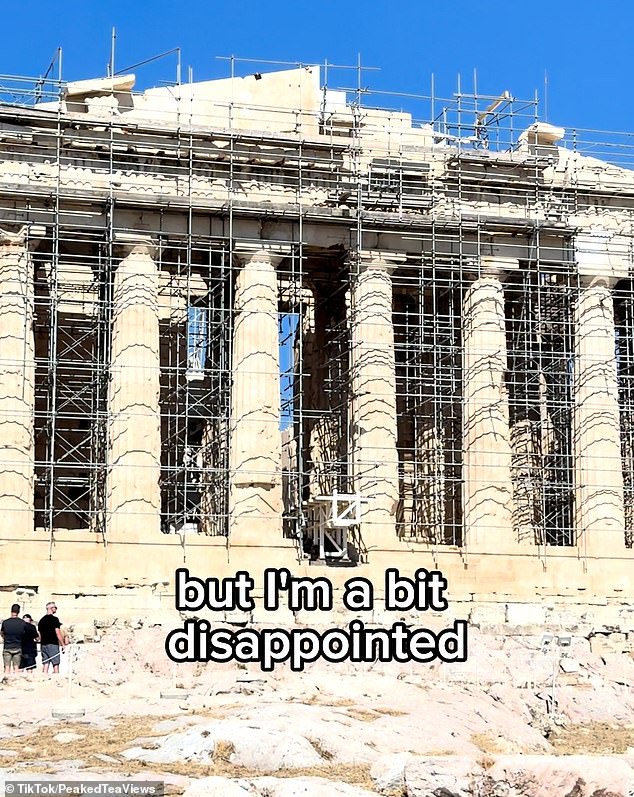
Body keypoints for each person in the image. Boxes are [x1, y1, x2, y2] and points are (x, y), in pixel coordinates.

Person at [38, 602, 66, 674]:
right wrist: (62, 644)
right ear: (51, 608)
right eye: (55, 607)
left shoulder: (41, 620)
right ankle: (56, 680)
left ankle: (44, 678)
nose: (56, 609)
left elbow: (40, 635)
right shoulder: (54, 619)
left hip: (43, 644)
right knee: (55, 664)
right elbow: (57, 632)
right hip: (53, 644)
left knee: (45, 663)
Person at [1, 604, 26, 675]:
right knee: (16, 668)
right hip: (18, 646)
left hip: (7, 647)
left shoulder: (5, 622)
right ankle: (15, 683)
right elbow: (24, 634)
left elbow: (2, 633)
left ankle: (7, 683)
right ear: (19, 611)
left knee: (7, 668)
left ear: (11, 611)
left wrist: (5, 638)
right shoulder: (22, 623)